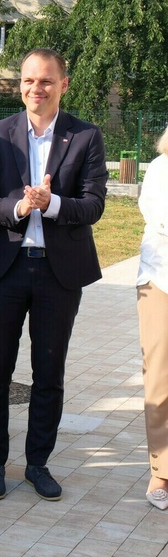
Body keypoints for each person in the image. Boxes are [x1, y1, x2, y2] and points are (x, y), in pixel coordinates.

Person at [0, 48, 107, 502]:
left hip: (57, 272)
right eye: (28, 80)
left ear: (63, 84)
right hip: (3, 270)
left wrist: (53, 205)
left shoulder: (85, 136)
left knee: (49, 372)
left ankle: (37, 464)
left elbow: (94, 204)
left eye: (46, 80)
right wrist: (19, 208)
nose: (36, 88)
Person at [136, 126, 168, 510]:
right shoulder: (161, 168)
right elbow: (161, 218)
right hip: (161, 281)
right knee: (160, 378)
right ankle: (162, 469)